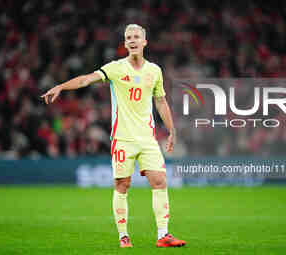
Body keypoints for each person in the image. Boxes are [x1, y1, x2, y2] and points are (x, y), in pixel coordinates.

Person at [41, 24, 186, 248]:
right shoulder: (116, 68)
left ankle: (163, 235)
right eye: (128, 37)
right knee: (122, 185)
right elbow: (86, 79)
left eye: (136, 37)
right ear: (125, 43)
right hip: (123, 138)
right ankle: (123, 236)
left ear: (144, 42)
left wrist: (172, 129)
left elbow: (160, 101)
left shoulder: (154, 71)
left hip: (147, 138)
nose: (132, 40)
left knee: (160, 181)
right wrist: (61, 86)